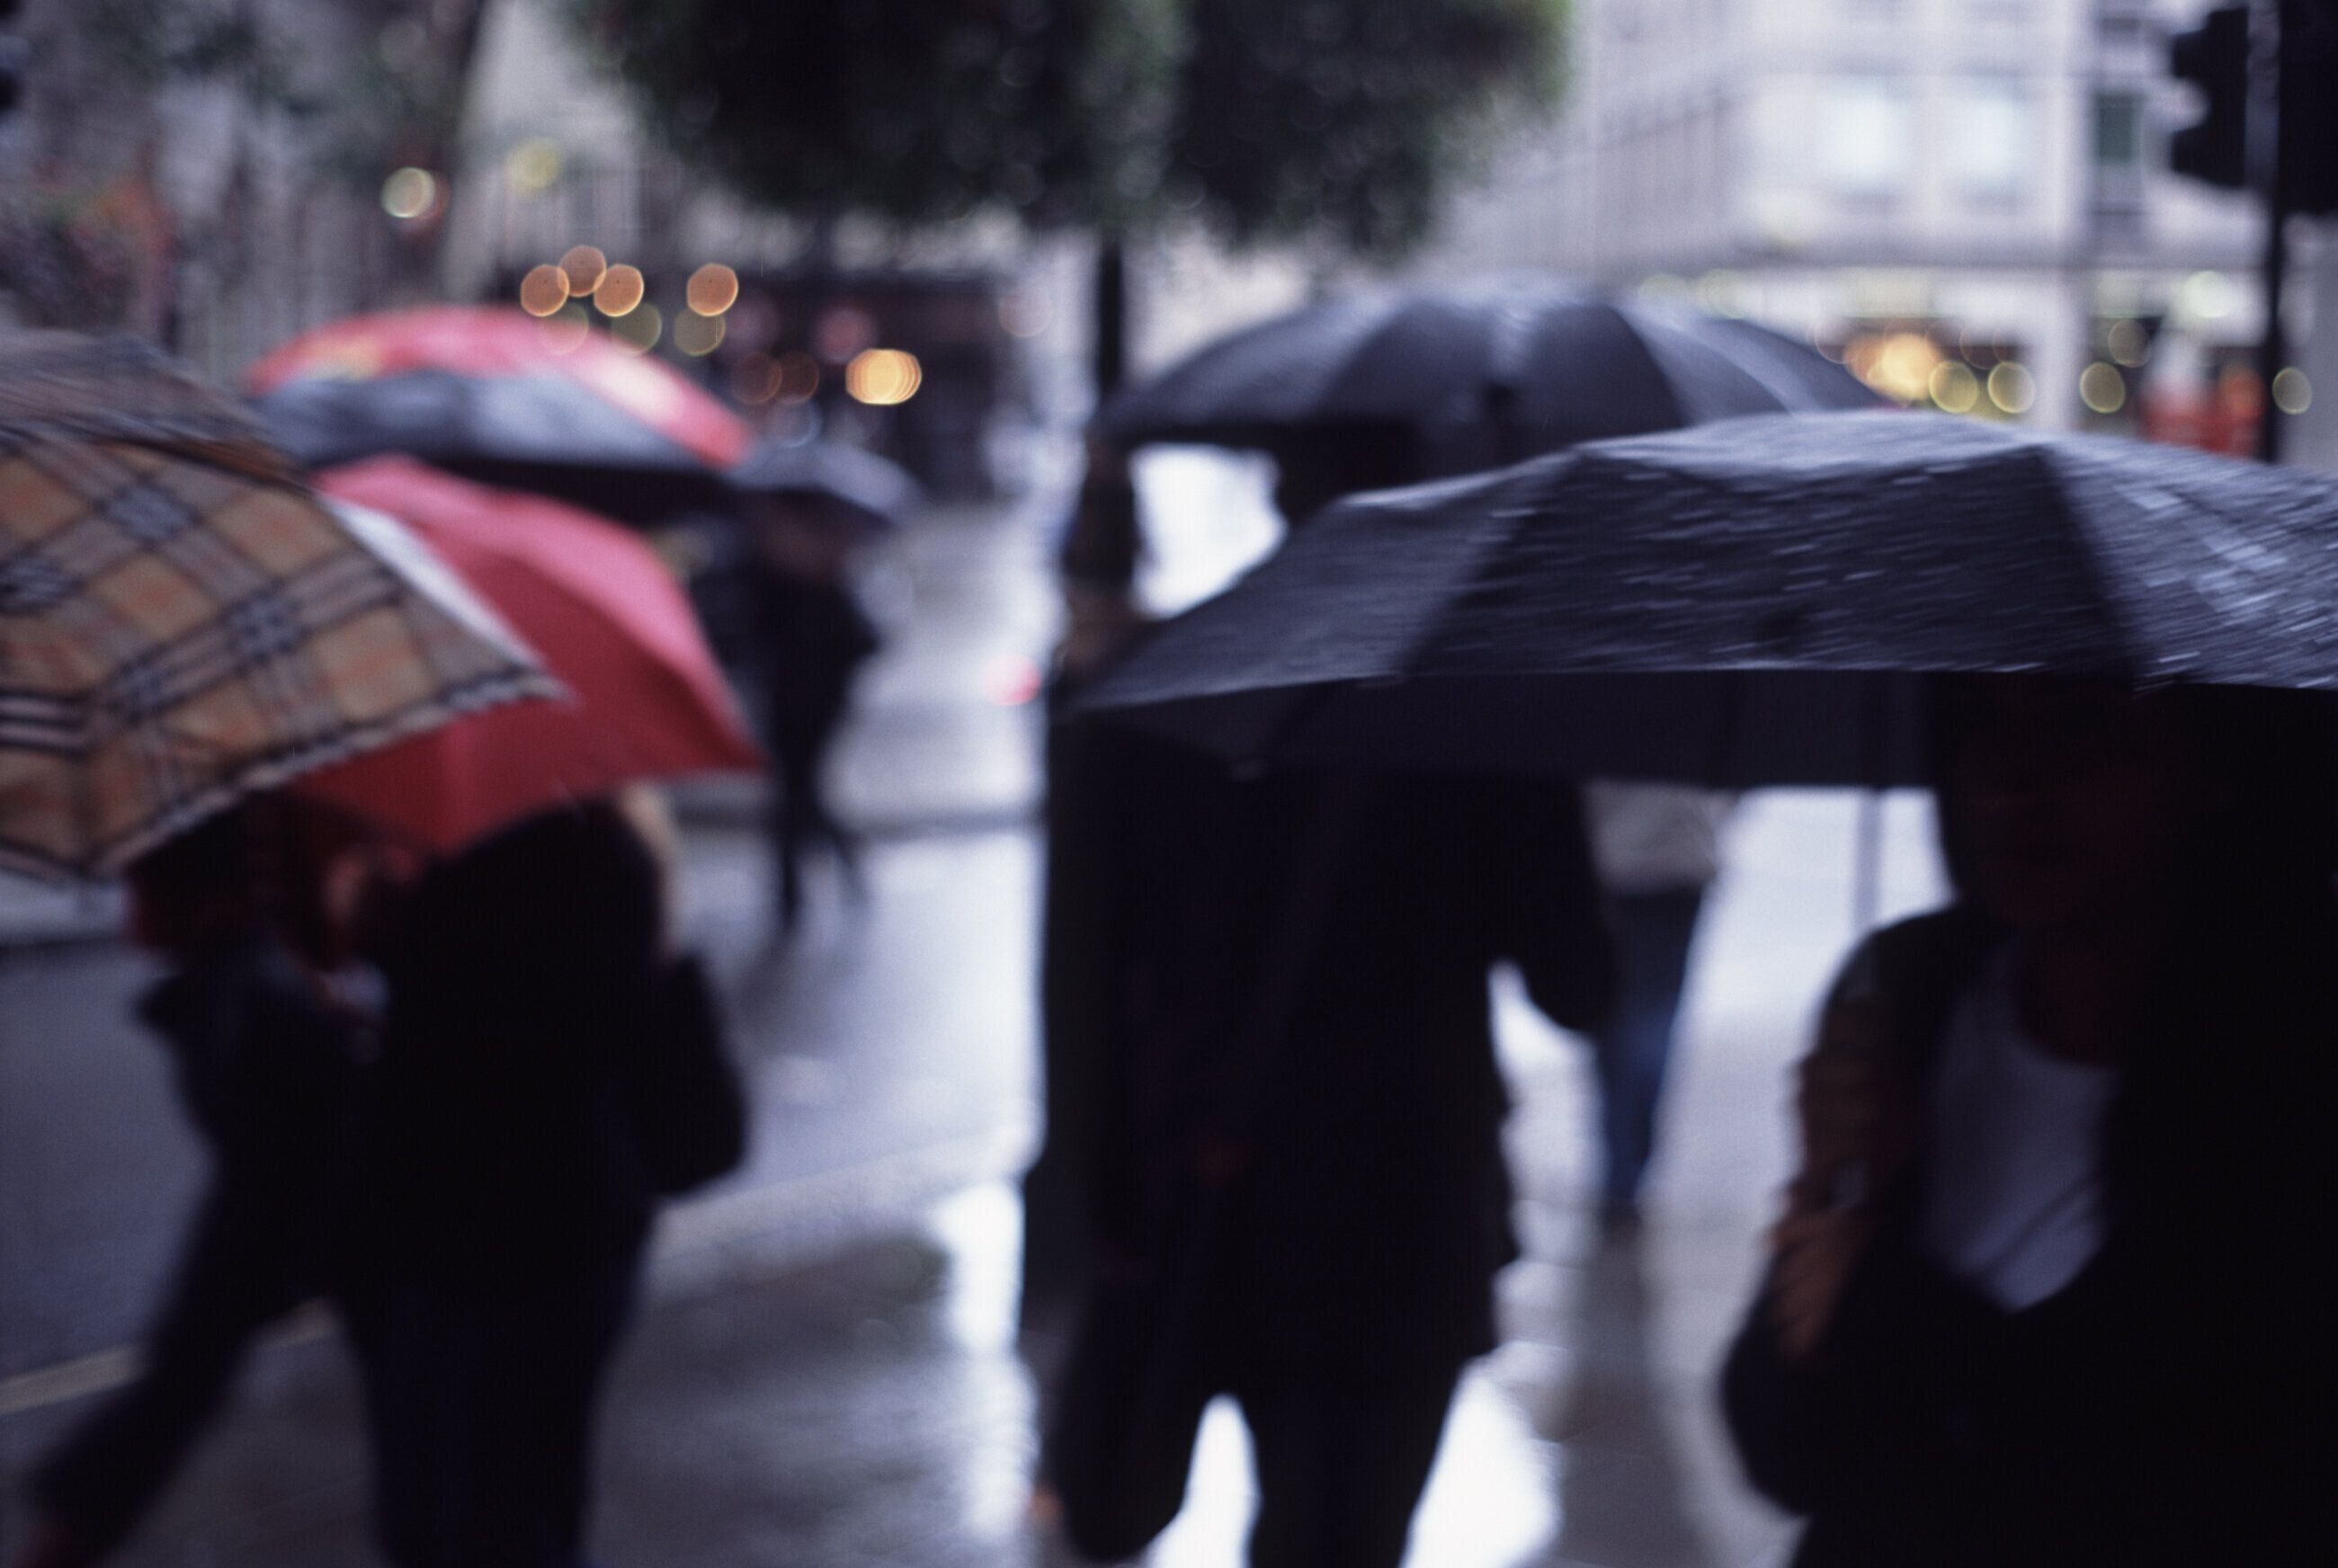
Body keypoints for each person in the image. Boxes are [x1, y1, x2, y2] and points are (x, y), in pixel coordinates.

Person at [1040, 432, 1617, 1568]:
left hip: (1210, 1197)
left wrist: (1084, 1217)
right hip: (1404, 1223)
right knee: (1346, 1537)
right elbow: (1580, 984)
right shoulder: (1484, 719)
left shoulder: (1162, 686)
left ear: (1280, 491)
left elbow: (1082, 993)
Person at [1722, 674, 2338, 1564]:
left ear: (2218, 756)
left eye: (2082, 722)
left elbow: (2227, 1481)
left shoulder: (2297, 1057)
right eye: (1977, 719)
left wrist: (1885, 1300)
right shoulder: (1905, 987)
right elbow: (1785, 1455)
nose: (2007, 778)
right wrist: (1830, 1186)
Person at [347, 787, 742, 1568]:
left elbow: (474, 1046)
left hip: (511, 1238)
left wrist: (386, 927)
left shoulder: (524, 862)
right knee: (522, 1501)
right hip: (575, 1228)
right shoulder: (617, 844)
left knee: (482, 1517)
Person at [14, 802, 383, 1568]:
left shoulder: (243, 995)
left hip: (377, 1244)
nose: (125, 911)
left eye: (139, 887)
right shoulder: (247, 983)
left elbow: (247, 1245)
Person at [1580, 782, 1734, 1235]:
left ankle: (1623, 1170)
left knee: (1623, 1027)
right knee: (1645, 1026)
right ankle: (1625, 1172)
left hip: (1618, 861)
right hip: (1670, 859)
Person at [745, 494, 882, 931]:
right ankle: (810, 883)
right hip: (783, 703)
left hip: (821, 704)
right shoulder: (768, 581)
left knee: (797, 793)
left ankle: (794, 894)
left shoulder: (832, 585)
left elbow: (865, 642)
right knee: (799, 793)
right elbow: (749, 635)